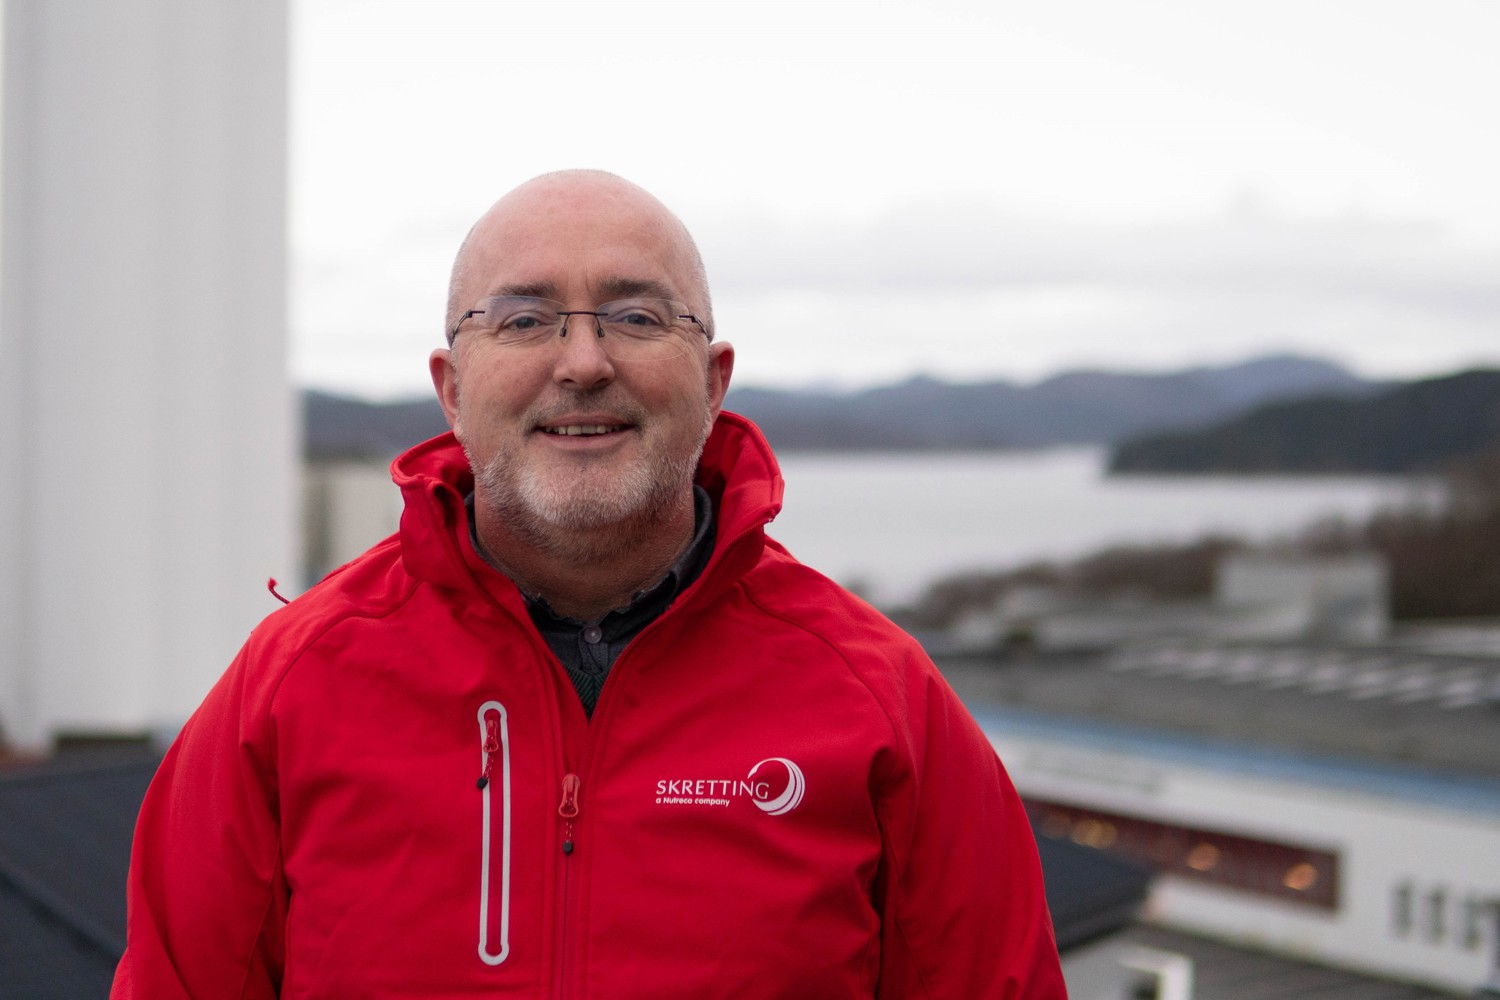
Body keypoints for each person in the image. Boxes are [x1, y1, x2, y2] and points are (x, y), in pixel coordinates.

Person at [112, 170, 1066, 998]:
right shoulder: (289, 690)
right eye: (524, 319)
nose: (582, 362)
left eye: (636, 316)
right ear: (452, 386)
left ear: (714, 378)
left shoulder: (880, 702)